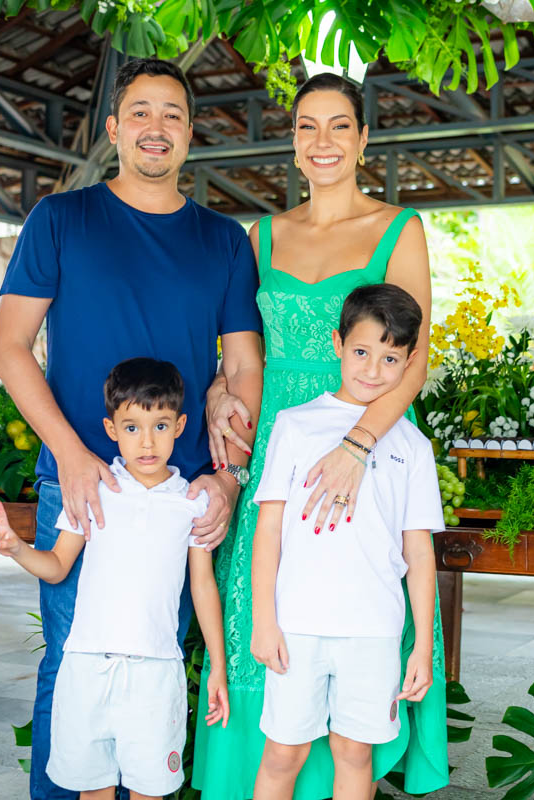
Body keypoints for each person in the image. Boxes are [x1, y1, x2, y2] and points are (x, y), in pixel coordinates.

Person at [0, 57, 263, 800]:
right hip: (80, 482)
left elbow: (241, 365)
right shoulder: (61, 219)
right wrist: (72, 455)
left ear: (190, 134)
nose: (156, 127)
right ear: (113, 129)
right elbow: (9, 347)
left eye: (172, 113)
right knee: (71, 662)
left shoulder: (223, 241)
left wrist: (230, 478)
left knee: (157, 658)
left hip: (177, 491)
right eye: (140, 112)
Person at [196, 73, 447, 798]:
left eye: (340, 126)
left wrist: (360, 445)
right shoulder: (263, 234)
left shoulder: (400, 228)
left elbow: (415, 354)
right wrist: (219, 392)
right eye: (308, 126)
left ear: (364, 140)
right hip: (281, 441)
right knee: (265, 616)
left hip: (367, 433)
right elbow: (243, 351)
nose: (324, 141)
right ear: (294, 143)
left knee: (361, 597)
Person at [0, 358, 230, 800]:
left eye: (160, 426)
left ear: (181, 425)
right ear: (111, 429)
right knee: (94, 792)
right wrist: (15, 547)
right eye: (132, 428)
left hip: (154, 672)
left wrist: (218, 668)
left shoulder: (192, 503)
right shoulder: (95, 490)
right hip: (87, 668)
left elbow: (202, 587)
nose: (146, 442)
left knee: (150, 791)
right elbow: (56, 566)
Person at [250, 284, 442, 800]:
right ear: (337, 343)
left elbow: (419, 553)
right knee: (282, 754)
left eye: (390, 357)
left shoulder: (413, 446)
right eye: (361, 352)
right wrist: (263, 621)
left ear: (409, 361)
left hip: (374, 631)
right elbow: (268, 530)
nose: (373, 370)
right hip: (297, 627)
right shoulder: (294, 426)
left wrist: (421, 645)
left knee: (356, 753)